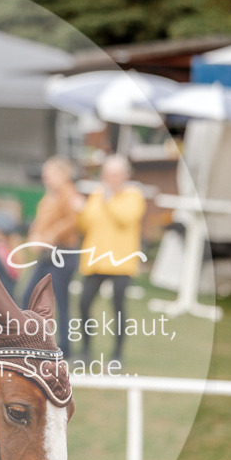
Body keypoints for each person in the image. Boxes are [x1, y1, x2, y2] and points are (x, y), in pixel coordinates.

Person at [76, 154, 146, 366]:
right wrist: (81, 211)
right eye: (107, 174)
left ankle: (117, 355)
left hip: (121, 262)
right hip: (96, 260)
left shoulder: (134, 195)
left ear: (125, 175)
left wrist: (109, 200)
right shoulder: (98, 194)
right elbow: (87, 223)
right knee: (84, 304)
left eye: (115, 174)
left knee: (118, 307)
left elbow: (125, 219)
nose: (111, 178)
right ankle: (86, 351)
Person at [23, 157, 84, 354]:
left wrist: (51, 235)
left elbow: (73, 221)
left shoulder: (69, 194)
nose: (45, 178)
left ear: (62, 175)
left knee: (59, 299)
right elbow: (41, 221)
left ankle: (65, 345)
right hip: (47, 254)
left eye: (49, 174)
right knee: (30, 295)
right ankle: (28, 337)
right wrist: (35, 234)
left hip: (63, 252)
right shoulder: (50, 196)